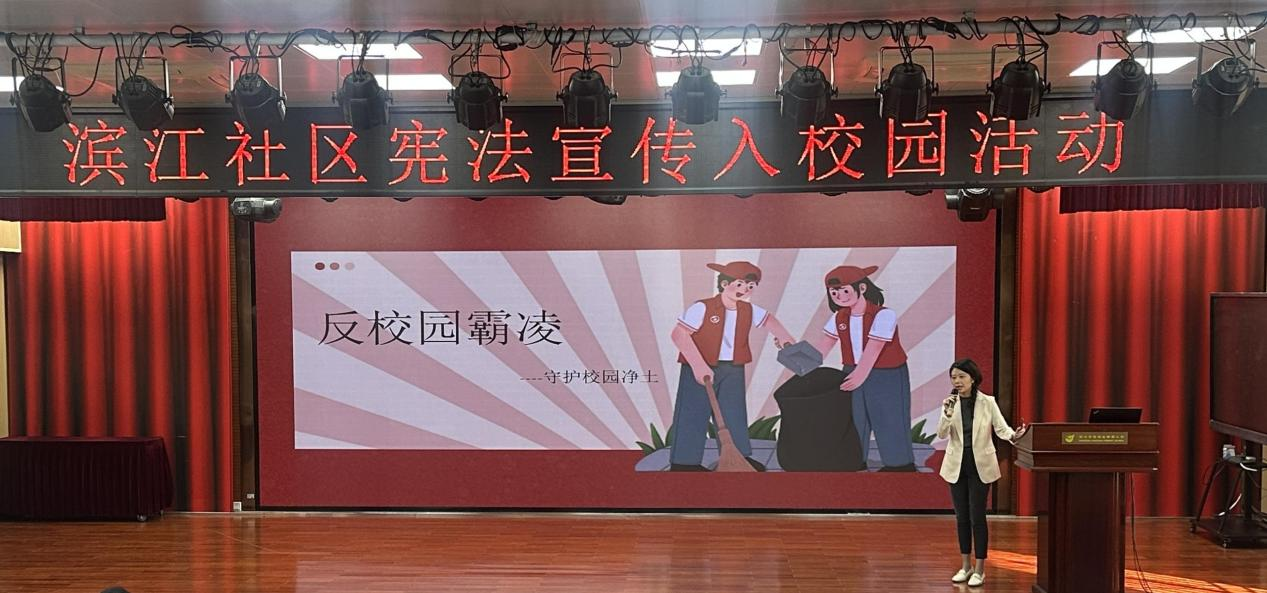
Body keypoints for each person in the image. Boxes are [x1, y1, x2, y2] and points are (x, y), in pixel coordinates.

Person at [668, 261, 795, 471]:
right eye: (740, 284)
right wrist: (698, 365)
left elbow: (770, 321)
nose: (745, 290)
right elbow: (679, 334)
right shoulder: (703, 307)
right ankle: (684, 463)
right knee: (693, 412)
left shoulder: (748, 310)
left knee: (733, 412)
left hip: (733, 368)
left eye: (750, 286)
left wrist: (785, 339)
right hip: (698, 366)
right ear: (724, 284)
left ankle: (739, 458)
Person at [813, 265, 916, 471]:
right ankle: (854, 460)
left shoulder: (883, 315)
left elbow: (874, 348)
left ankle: (899, 465)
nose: (840, 296)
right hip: (851, 370)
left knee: (888, 417)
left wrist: (859, 375)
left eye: (844, 291)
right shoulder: (839, 317)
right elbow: (824, 345)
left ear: (861, 288)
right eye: (834, 293)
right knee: (853, 417)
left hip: (886, 374)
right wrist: (800, 362)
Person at [936, 358, 1027, 587]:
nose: (957, 381)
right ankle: (965, 566)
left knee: (977, 516)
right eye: (953, 377)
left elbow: (1001, 428)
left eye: (961, 377)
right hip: (957, 466)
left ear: (973, 379)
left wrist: (1014, 436)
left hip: (981, 466)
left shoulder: (988, 402)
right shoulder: (949, 403)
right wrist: (947, 414)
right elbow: (941, 434)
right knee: (961, 517)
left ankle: (980, 569)